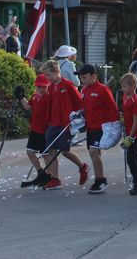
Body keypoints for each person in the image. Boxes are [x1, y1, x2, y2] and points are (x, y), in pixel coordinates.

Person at [40, 60, 88, 190]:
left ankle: (82, 166)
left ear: (56, 72)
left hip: (65, 124)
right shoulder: (51, 87)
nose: (47, 78)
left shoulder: (68, 85)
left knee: (65, 151)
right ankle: (55, 179)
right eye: (46, 76)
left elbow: (78, 102)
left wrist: (79, 118)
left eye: (49, 75)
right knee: (51, 150)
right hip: (53, 123)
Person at [79, 64, 119, 194]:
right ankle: (99, 176)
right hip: (90, 127)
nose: (82, 80)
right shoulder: (84, 91)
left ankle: (101, 180)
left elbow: (113, 108)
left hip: (102, 127)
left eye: (84, 77)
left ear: (94, 76)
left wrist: (115, 126)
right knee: (95, 153)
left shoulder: (103, 90)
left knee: (93, 151)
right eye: (81, 78)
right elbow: (84, 108)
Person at [15, 74, 51, 177]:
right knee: (30, 152)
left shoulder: (49, 98)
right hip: (35, 129)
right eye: (39, 86)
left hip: (45, 130)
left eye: (43, 87)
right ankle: (40, 171)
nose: (41, 89)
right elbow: (27, 107)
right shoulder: (35, 97)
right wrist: (21, 97)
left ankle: (49, 175)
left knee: (46, 155)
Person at [119, 73, 137, 195]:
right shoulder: (126, 97)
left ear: (133, 86)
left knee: (131, 157)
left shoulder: (135, 101)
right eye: (122, 86)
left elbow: (136, 120)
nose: (123, 89)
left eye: (125, 86)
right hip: (130, 130)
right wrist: (123, 118)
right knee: (133, 157)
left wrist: (130, 137)